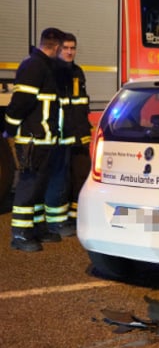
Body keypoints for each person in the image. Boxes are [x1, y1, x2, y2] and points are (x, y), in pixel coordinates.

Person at [4, 27, 65, 252]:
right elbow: (21, 102)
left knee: (39, 185)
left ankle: (36, 227)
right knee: (29, 186)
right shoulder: (34, 66)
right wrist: (9, 126)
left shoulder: (45, 66)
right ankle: (20, 234)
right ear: (56, 47)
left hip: (43, 139)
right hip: (33, 140)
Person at [44, 32, 91, 237]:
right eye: (66, 48)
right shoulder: (53, 72)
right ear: (58, 49)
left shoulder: (77, 72)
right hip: (61, 137)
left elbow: (80, 105)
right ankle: (56, 222)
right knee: (59, 179)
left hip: (79, 135)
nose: (70, 51)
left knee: (80, 176)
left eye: (73, 48)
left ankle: (75, 217)